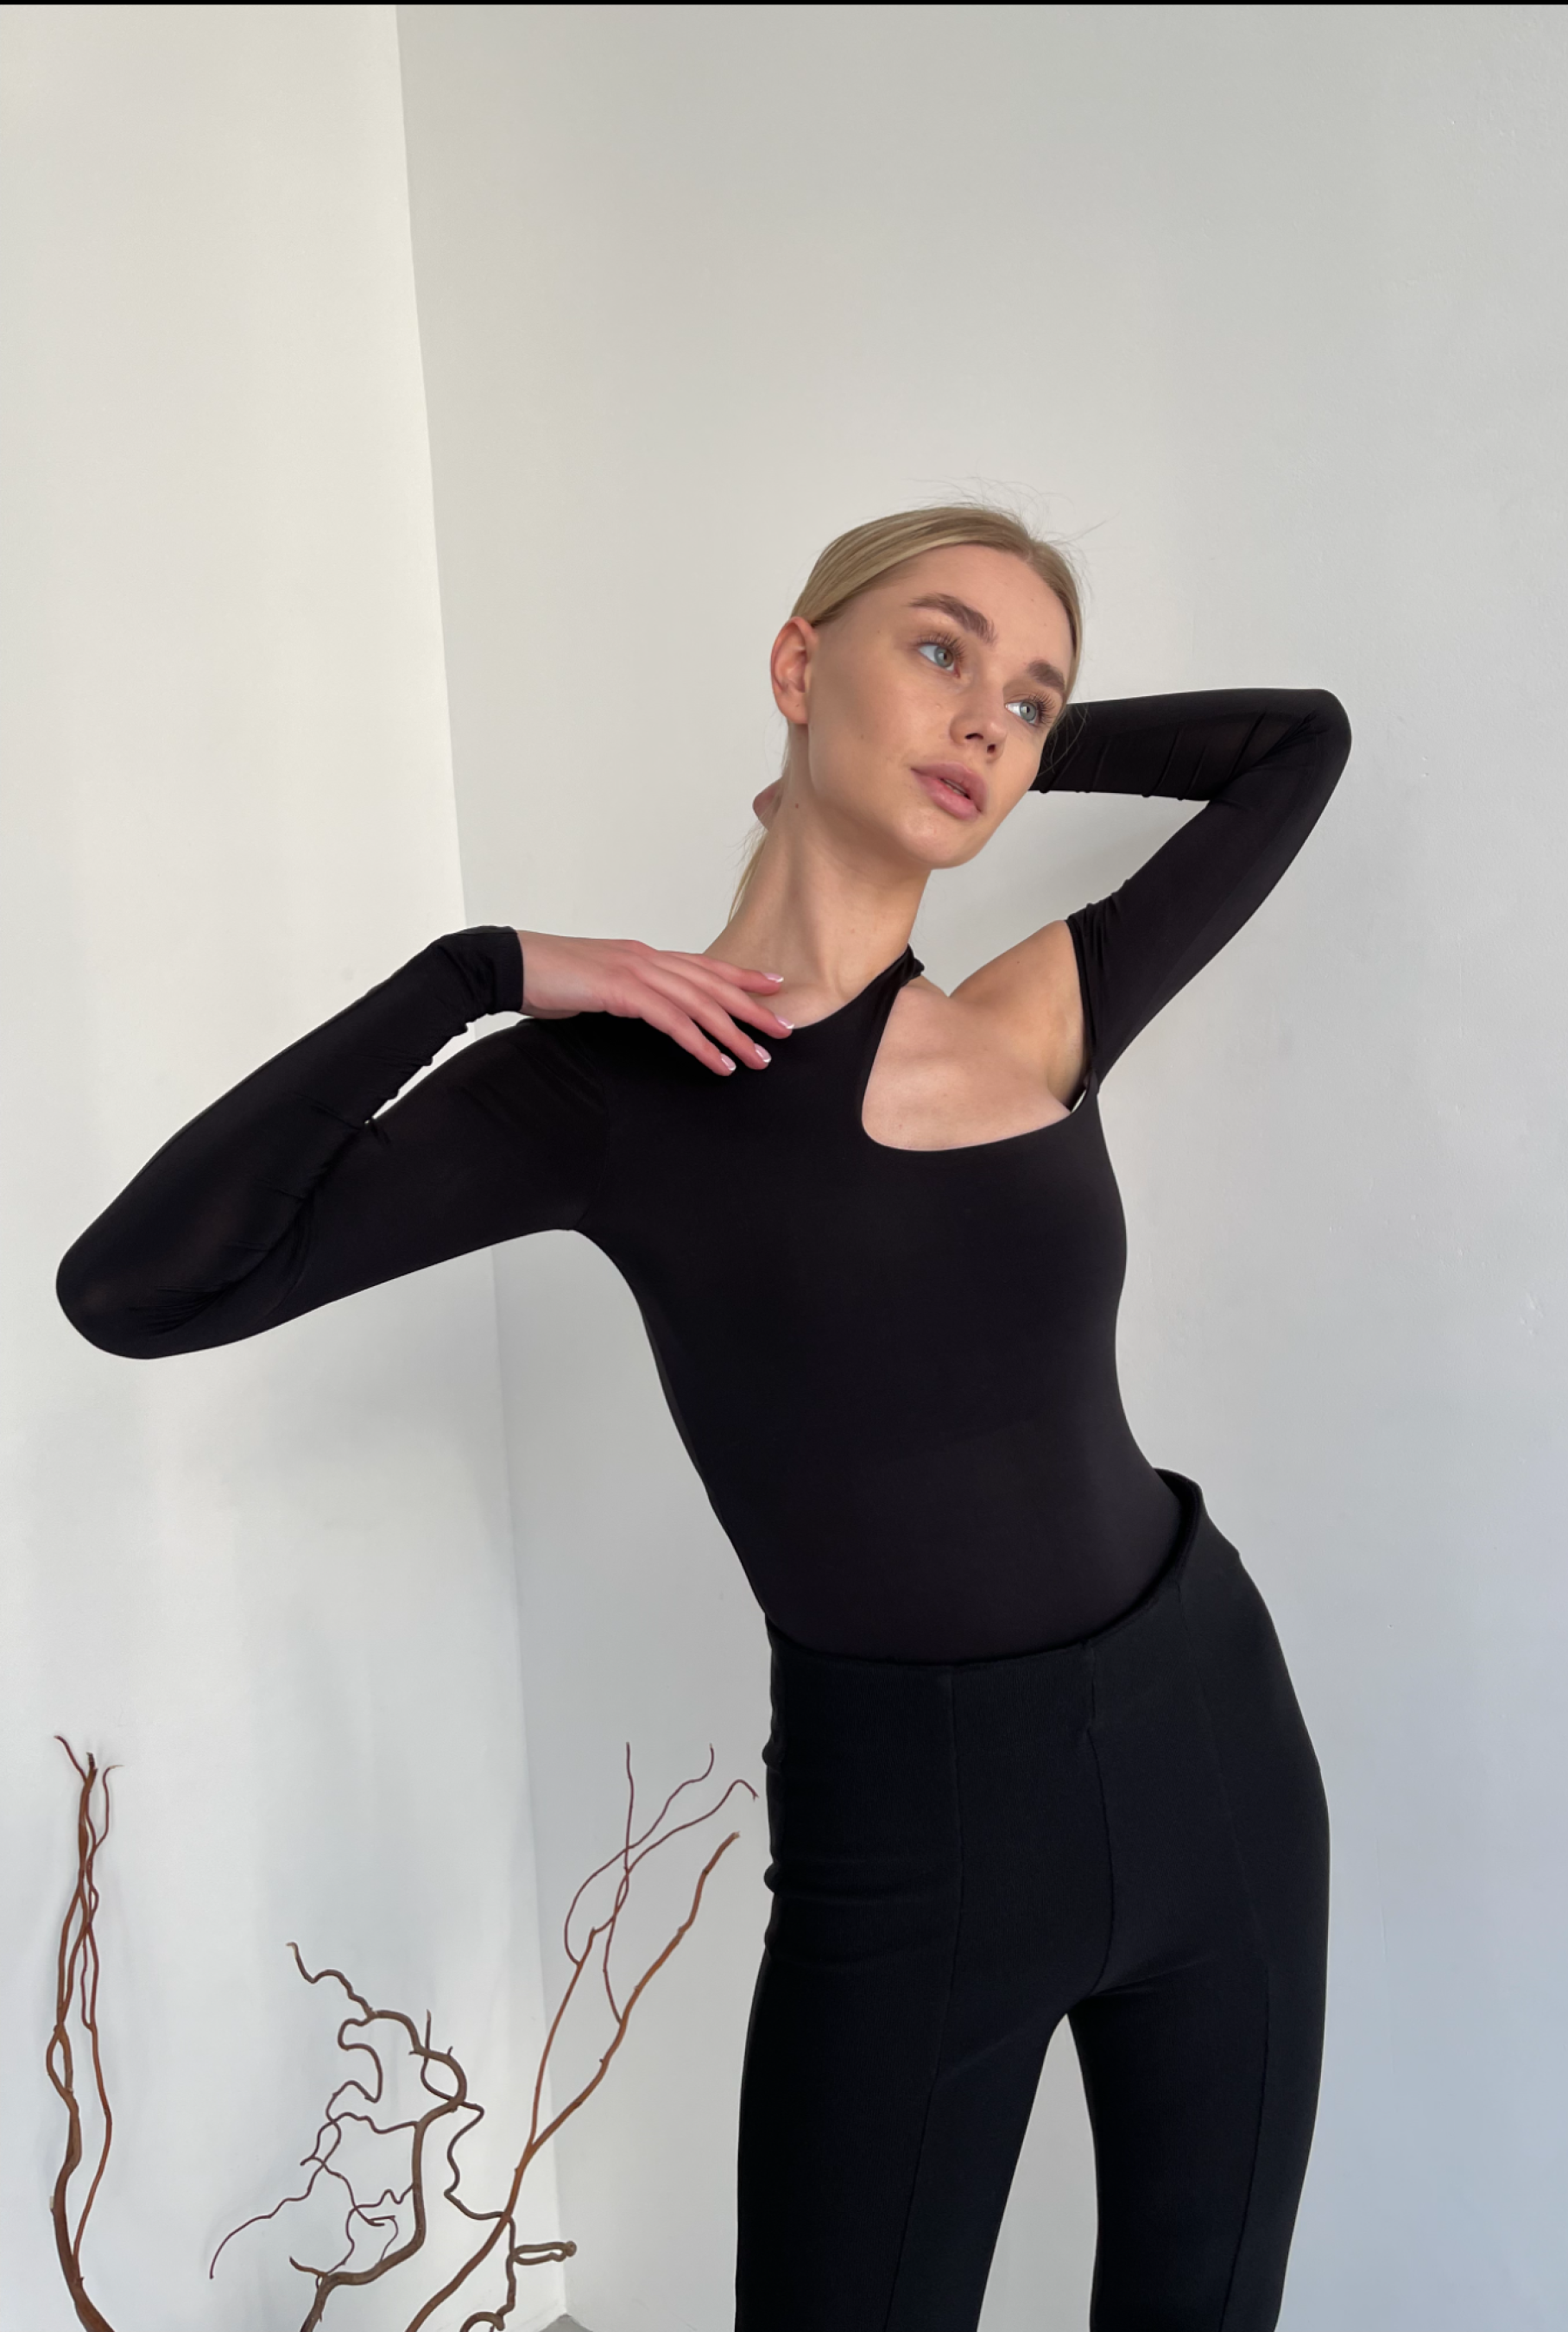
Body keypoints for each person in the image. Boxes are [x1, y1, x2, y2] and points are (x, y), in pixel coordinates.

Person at [57, 504, 1351, 2330]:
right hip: (911, 1831)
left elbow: (1297, 744)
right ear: (796, 664)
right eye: (938, 650)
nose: (985, 719)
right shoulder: (601, 1094)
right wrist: (477, 973)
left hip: (1210, 1742)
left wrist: (1014, 751)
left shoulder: (1033, 1019)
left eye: (1031, 698)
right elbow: (143, 1290)